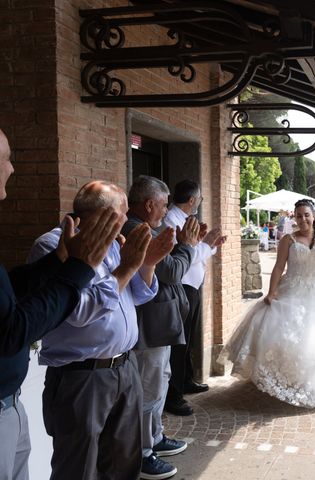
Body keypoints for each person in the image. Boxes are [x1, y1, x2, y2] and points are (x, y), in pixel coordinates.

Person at [0, 129, 123, 480]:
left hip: (10, 403)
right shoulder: (47, 241)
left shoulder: (77, 246)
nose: (11, 169)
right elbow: (12, 331)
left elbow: (8, 289)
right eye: (6, 158)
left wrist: (60, 262)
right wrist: (78, 270)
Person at [28, 181, 172, 480]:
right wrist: (126, 268)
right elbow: (78, 311)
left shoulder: (114, 242)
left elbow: (138, 295)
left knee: (123, 463)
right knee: (78, 467)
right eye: (121, 213)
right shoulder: (54, 245)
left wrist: (147, 264)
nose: (125, 220)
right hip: (82, 375)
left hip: (124, 367)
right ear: (104, 215)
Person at [221, 199, 315, 407]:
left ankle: (314, 382)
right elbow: (278, 267)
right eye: (298, 215)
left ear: (314, 215)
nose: (303, 219)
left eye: (306, 215)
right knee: (289, 337)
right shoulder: (288, 240)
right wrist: (272, 292)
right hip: (292, 290)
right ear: (295, 217)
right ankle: (289, 380)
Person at [122, 175, 200, 480]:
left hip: (159, 321)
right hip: (150, 324)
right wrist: (187, 246)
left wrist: (187, 244)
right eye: (164, 204)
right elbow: (170, 272)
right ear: (150, 203)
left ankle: (154, 438)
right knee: (149, 388)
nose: (166, 209)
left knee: (159, 381)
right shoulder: (137, 229)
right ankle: (142, 454)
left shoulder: (150, 227)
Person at [162, 179, 226, 415]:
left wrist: (210, 243)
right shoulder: (171, 220)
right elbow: (187, 255)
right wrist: (206, 245)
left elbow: (196, 251)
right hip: (182, 286)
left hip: (193, 286)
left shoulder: (187, 220)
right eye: (199, 198)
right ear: (192, 200)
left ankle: (186, 379)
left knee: (188, 339)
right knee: (179, 344)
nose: (199, 201)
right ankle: (174, 395)